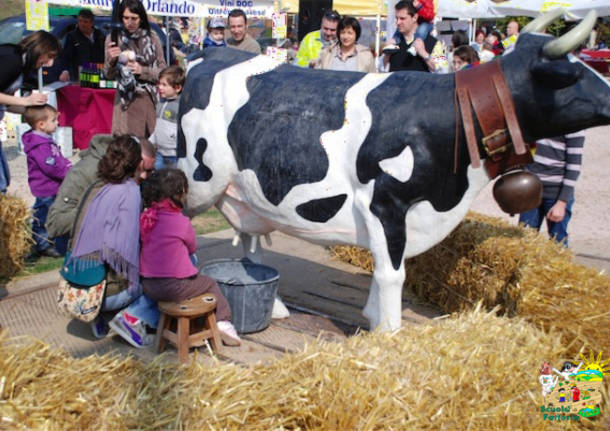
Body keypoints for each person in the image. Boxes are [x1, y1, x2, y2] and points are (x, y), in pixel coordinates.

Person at [69, 135, 158, 346]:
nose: (144, 175)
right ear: (135, 163)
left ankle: (100, 317)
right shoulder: (130, 192)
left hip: (75, 286)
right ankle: (133, 317)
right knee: (163, 278)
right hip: (105, 293)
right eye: (143, 168)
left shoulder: (96, 186)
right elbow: (127, 249)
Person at [139, 169, 241, 346]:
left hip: (148, 284)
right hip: (173, 287)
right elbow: (192, 247)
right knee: (209, 283)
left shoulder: (147, 218)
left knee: (189, 277)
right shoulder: (180, 221)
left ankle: (179, 324)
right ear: (179, 195)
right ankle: (223, 322)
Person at [46, 134, 155, 241]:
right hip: (79, 246)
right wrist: (97, 209)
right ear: (128, 159)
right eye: (141, 168)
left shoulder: (138, 178)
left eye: (149, 171)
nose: (144, 176)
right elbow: (54, 225)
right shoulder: (85, 172)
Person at [0, 31, 60, 194]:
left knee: (3, 179)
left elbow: (6, 101)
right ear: (39, 49)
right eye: (49, 56)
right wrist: (26, 101)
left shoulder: (23, 68)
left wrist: (33, 111)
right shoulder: (13, 58)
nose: (50, 63)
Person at [103, 0, 167, 139]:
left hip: (149, 99)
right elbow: (108, 74)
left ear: (141, 18)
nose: (130, 22)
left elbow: (163, 72)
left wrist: (142, 70)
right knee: (127, 149)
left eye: (134, 18)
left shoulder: (152, 38)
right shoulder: (114, 38)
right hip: (125, 102)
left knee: (149, 148)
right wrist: (112, 60)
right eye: (126, 18)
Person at [519, 132, 585, 247]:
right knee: (524, 240)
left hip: (556, 195)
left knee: (558, 242)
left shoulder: (575, 126)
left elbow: (574, 167)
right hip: (530, 190)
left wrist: (562, 203)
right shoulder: (538, 116)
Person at [22, 104, 72, 257]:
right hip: (46, 188)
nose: (57, 123)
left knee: (53, 213)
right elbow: (51, 167)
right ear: (41, 125)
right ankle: (42, 244)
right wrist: (67, 171)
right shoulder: (40, 145)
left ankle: (58, 240)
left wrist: (68, 164)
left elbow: (58, 158)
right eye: (54, 120)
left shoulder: (45, 141)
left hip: (52, 187)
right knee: (44, 216)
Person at [384, 0, 446, 73]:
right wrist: (387, 55)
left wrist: (425, 55)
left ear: (415, 18)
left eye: (402, 18)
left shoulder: (435, 43)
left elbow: (443, 71)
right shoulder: (393, 43)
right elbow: (382, 70)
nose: (398, 22)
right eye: (397, 18)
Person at [150, 65, 184, 170]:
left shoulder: (181, 105)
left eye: (164, 85)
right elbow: (159, 126)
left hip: (174, 155)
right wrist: (150, 141)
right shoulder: (160, 102)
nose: (160, 87)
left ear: (177, 88)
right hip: (159, 153)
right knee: (158, 181)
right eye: (159, 83)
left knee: (173, 181)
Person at [58, 9, 106, 82]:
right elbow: (65, 56)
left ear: (92, 23)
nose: (82, 24)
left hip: (98, 73)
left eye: (85, 22)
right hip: (78, 75)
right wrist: (65, 71)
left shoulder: (100, 35)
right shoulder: (72, 36)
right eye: (80, 21)